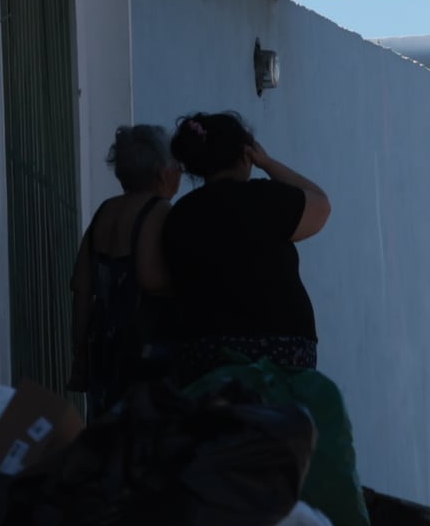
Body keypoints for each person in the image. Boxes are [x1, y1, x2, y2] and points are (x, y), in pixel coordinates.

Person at [161, 113, 332, 381]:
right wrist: (268, 163)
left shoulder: (181, 214)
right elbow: (320, 205)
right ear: (245, 155)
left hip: (206, 351)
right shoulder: (266, 197)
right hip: (282, 350)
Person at [68, 125, 181, 418]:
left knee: (105, 431)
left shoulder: (105, 211)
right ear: (161, 172)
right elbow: (151, 279)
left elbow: (81, 285)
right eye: (176, 166)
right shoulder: (159, 210)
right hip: (143, 345)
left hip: (102, 344)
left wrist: (80, 352)